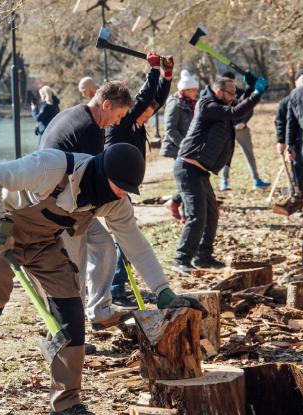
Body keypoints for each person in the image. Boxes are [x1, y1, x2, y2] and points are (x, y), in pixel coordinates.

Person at [0, 143, 204, 415]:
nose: (121, 194)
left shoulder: (114, 201)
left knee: (71, 316)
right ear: (101, 174)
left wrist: (163, 291)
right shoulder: (52, 167)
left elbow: (136, 245)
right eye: (118, 187)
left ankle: (66, 403)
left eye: (126, 190)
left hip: (45, 246)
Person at [39, 81, 135, 329]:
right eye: (118, 116)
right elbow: (91, 182)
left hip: (72, 200)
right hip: (58, 206)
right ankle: (71, 330)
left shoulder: (76, 114)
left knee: (104, 246)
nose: (116, 123)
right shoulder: (89, 130)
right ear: (105, 105)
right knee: (75, 268)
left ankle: (99, 310)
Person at [171, 74, 268, 275]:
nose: (234, 96)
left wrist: (249, 90)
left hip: (200, 171)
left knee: (212, 213)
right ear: (218, 91)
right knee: (197, 215)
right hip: (187, 168)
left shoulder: (220, 106)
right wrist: (257, 93)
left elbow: (239, 109)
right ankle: (181, 258)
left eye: (235, 93)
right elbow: (235, 111)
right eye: (231, 93)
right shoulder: (207, 105)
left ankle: (203, 256)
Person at [105, 53, 172, 307]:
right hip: (109, 183)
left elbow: (156, 100)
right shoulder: (121, 123)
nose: (149, 116)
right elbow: (145, 97)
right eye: (145, 114)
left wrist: (167, 76)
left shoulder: (137, 124)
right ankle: (116, 289)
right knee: (122, 238)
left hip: (123, 185)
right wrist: (153, 70)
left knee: (125, 236)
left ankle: (117, 286)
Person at [218, 78, 271, 190]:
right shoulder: (220, 96)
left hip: (242, 129)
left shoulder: (242, 93)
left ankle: (256, 180)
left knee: (249, 155)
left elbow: (249, 108)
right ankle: (224, 181)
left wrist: (243, 122)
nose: (232, 87)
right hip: (227, 130)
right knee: (226, 156)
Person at [275, 69, 303, 198]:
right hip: (294, 143)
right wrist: (281, 141)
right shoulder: (286, 102)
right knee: (297, 170)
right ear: (296, 82)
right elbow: (280, 122)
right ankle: (298, 196)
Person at [161, 70, 199, 159]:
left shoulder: (192, 103)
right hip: (178, 147)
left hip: (188, 146)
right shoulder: (175, 104)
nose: (196, 93)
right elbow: (170, 129)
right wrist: (185, 144)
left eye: (196, 90)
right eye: (193, 90)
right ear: (185, 90)